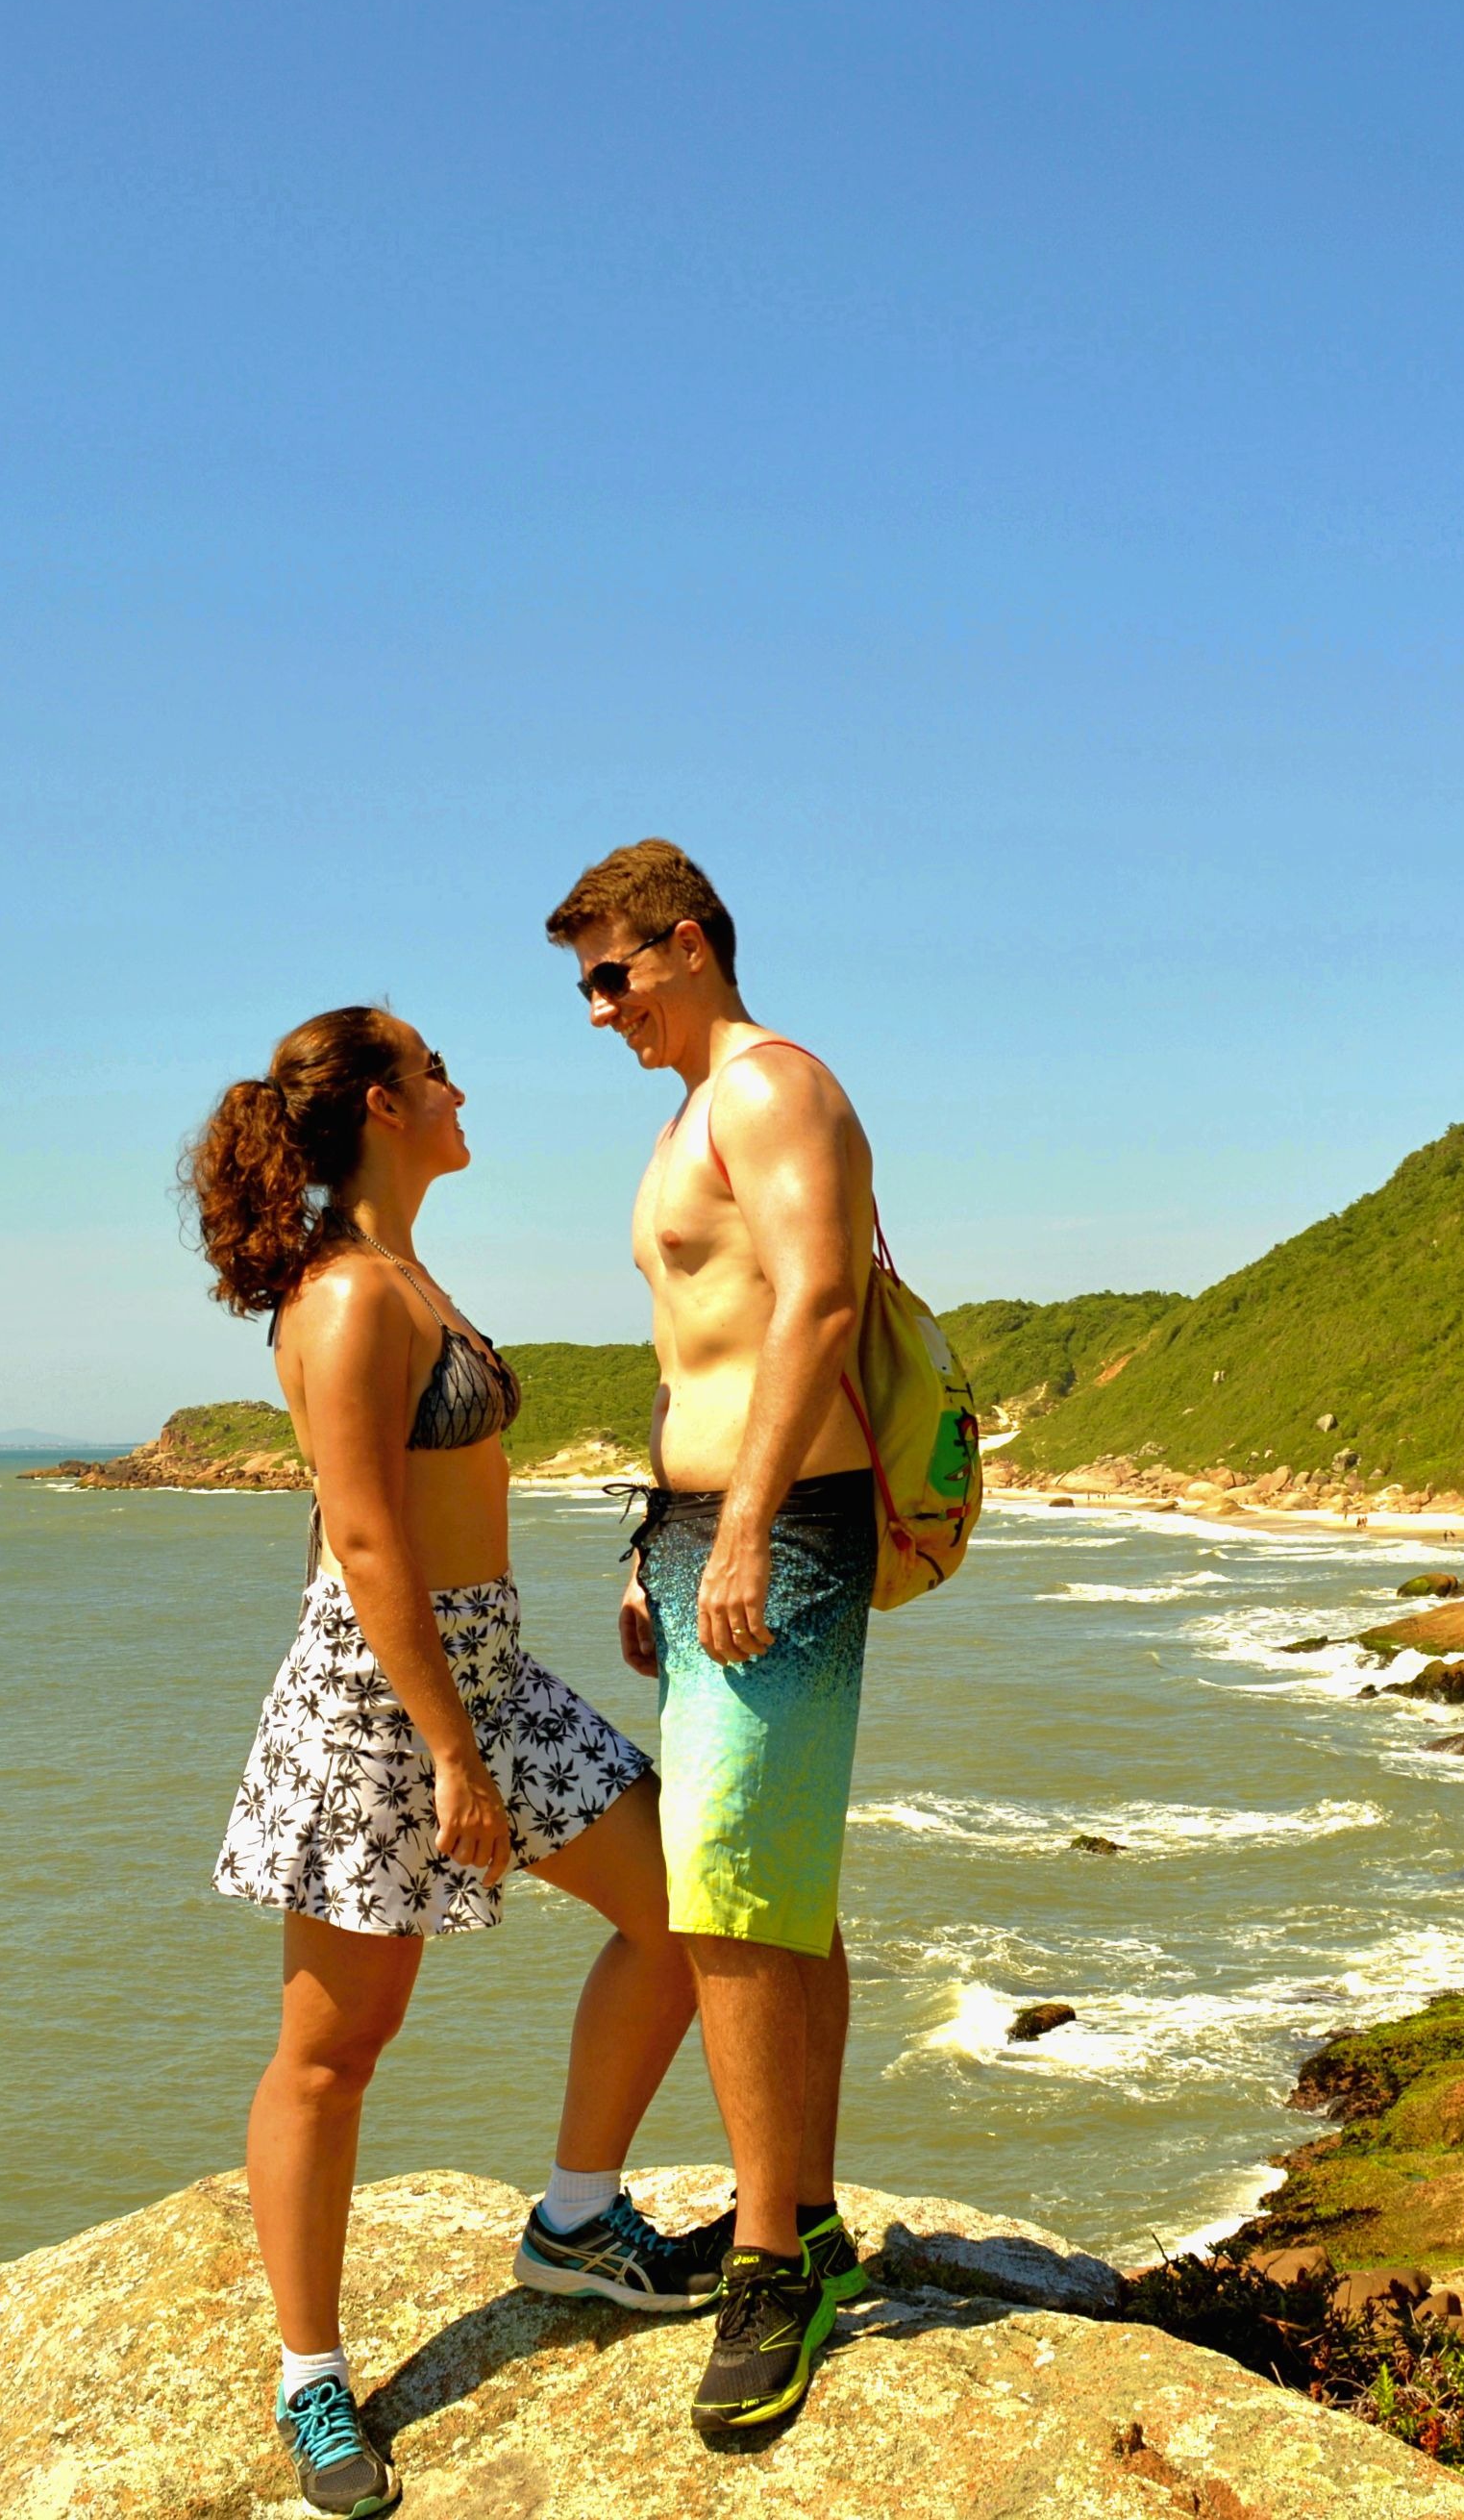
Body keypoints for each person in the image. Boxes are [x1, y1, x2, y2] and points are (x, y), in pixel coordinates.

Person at [193, 1005, 717, 2519]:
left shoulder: (404, 1272)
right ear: (378, 1102)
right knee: (336, 2045)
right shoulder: (348, 1295)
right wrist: (449, 1753)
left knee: (685, 1907)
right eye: (433, 1070)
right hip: (385, 1695)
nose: (459, 1085)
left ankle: (575, 2222)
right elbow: (362, 1539)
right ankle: (311, 2378)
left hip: (483, 1668)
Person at [545, 840, 885, 2443]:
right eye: (586, 985)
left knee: (734, 1884)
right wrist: (658, 1540)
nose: (599, 1008)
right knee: (771, 1885)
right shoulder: (687, 1121)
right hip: (696, 1535)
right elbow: (700, 1345)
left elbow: (818, 1301)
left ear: (687, 945)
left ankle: (772, 2259)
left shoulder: (770, 1089)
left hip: (781, 1525)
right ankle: (804, 2217)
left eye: (613, 973)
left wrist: (744, 1521)